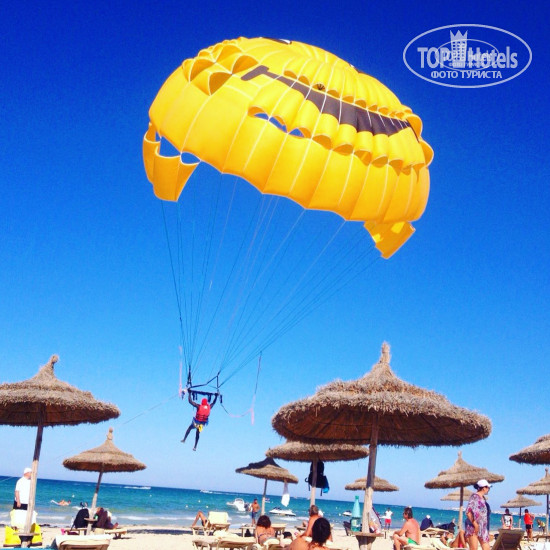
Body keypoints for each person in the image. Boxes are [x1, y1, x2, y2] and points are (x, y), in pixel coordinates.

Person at [465, 479, 491, 550]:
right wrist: (475, 525)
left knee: (487, 548)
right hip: (473, 526)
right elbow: (468, 512)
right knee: (474, 548)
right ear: (484, 488)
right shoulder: (475, 497)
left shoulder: (483, 498)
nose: (488, 489)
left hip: (483, 527)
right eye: (488, 487)